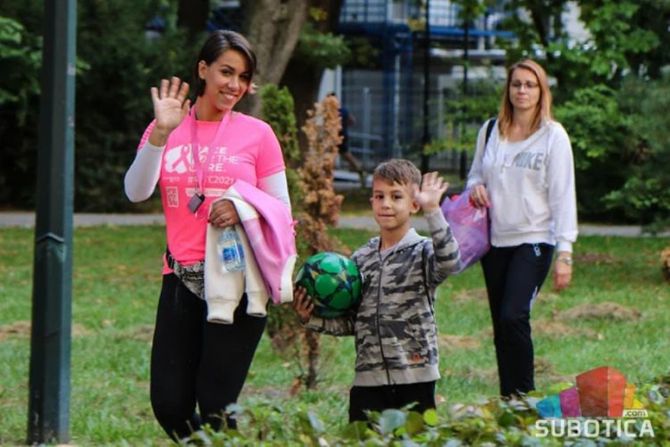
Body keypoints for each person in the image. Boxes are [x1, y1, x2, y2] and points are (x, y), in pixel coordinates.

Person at [124, 30, 293, 441]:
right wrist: (161, 134)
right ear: (203, 70)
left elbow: (283, 213)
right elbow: (136, 190)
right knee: (169, 404)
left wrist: (241, 205)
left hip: (237, 281)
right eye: (226, 72)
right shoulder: (166, 126)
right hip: (180, 279)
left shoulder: (258, 134)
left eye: (244, 76)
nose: (235, 85)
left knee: (216, 403)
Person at [293, 159, 461, 422]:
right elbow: (353, 322)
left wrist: (434, 211)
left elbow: (451, 261)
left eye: (396, 197)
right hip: (368, 381)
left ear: (414, 204)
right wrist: (310, 318)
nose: (386, 204)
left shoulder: (423, 252)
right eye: (379, 196)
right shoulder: (361, 259)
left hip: (415, 377)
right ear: (371, 201)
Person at [466, 59, 578, 398]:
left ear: (541, 91)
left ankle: (525, 397)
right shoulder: (490, 131)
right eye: (517, 84)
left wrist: (565, 253)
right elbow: (474, 175)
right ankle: (508, 402)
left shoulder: (553, 136)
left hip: (535, 240)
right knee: (502, 325)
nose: (522, 91)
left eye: (530, 85)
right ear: (508, 89)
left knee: (515, 315)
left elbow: (563, 194)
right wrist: (475, 188)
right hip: (494, 242)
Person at [329, 92, 366, 187]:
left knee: (332, 157)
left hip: (336, 137)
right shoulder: (344, 110)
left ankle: (328, 177)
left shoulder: (333, 111)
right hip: (343, 135)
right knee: (345, 155)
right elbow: (352, 120)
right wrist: (345, 125)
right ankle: (359, 170)